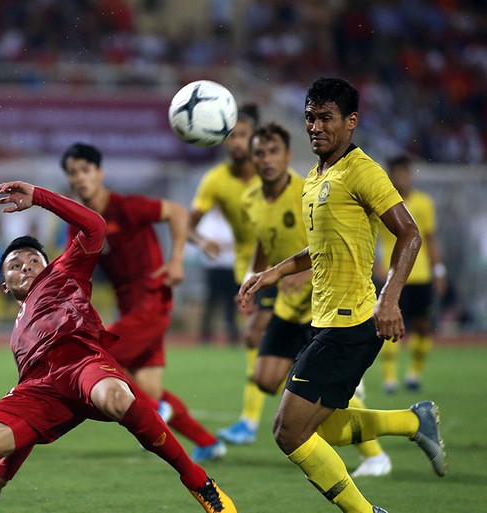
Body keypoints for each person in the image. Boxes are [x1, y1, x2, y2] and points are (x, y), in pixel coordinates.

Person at [0, 180, 236, 513]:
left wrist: (39, 197)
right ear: (5, 286)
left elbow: (95, 225)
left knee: (116, 398)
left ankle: (198, 481)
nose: (24, 265)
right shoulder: (18, 333)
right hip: (42, 389)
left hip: (83, 363)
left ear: (47, 264)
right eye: (14, 265)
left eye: (33, 260)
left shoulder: (65, 271)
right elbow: (30, 425)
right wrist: (6, 470)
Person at [238, 77, 446, 513]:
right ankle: (414, 421)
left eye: (325, 118)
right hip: (324, 318)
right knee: (323, 429)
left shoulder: (362, 170)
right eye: (310, 118)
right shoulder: (314, 177)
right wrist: (274, 272)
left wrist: (389, 299)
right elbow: (321, 246)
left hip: (351, 321)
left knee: (287, 431)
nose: (315, 126)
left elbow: (409, 233)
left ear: (351, 122)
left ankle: (365, 511)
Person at [241, 121, 391, 478]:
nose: (266, 160)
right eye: (258, 153)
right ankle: (409, 423)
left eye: (273, 151)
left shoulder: (309, 184)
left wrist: (304, 272)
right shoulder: (252, 199)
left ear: (287, 155)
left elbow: (337, 233)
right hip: (289, 305)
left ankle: (377, 453)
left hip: (327, 306)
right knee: (268, 381)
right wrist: (259, 275)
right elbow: (266, 240)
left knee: (303, 413)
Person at [61, 142, 225, 462]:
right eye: (72, 173)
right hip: (132, 309)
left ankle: (156, 411)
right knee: (149, 388)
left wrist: (178, 258)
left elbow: (176, 213)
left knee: (96, 360)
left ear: (100, 173)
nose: (79, 178)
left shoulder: (125, 206)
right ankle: (207, 442)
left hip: (151, 303)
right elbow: (71, 267)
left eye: (85, 170)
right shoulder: (78, 222)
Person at [189, 103, 271, 444]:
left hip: (284, 269)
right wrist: (200, 240)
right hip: (248, 273)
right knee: (256, 341)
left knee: (275, 346)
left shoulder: (274, 175)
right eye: (231, 136)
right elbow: (188, 223)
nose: (236, 142)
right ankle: (250, 421)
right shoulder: (215, 180)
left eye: (243, 135)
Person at [375, 155, 446, 394]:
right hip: (392, 276)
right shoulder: (381, 203)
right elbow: (369, 237)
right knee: (386, 325)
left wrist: (438, 270)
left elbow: (431, 238)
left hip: (421, 276)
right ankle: (390, 378)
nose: (399, 177)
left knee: (423, 326)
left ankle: (414, 374)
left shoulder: (424, 203)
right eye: (395, 173)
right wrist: (375, 264)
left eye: (403, 172)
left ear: (409, 175)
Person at [196, 208, 239, 346]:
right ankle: (206, 334)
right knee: (211, 301)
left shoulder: (234, 218)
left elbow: (238, 240)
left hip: (231, 267)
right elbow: (204, 240)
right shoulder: (208, 220)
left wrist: (219, 244)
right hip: (214, 267)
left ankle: (233, 333)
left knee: (232, 302)